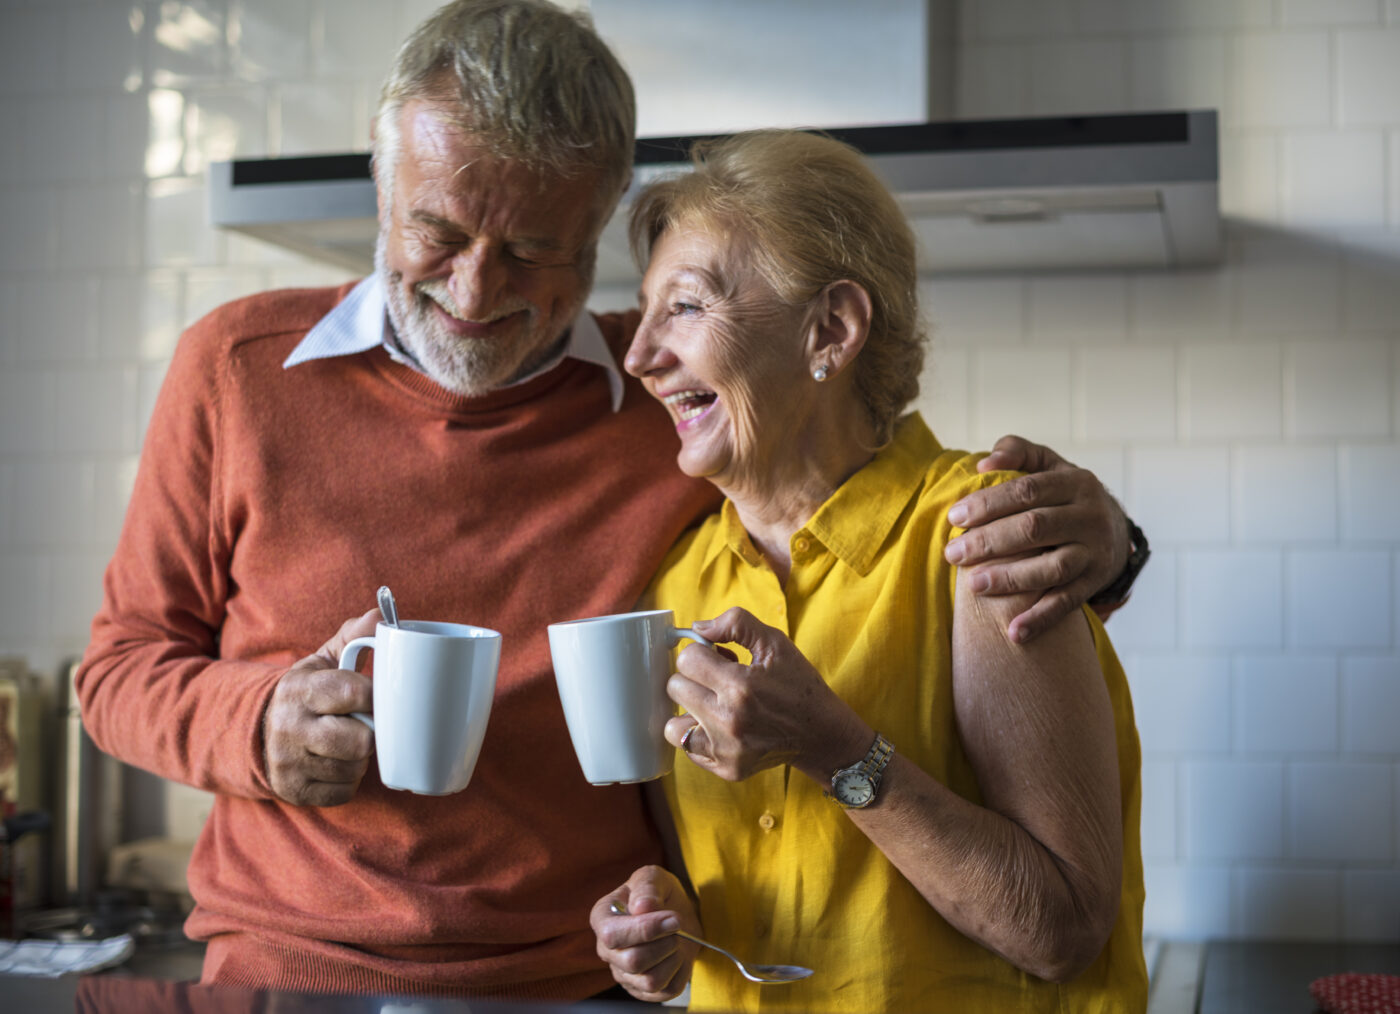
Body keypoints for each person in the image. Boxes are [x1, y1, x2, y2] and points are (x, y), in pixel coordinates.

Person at [75, 0, 1143, 1002]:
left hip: (574, 984)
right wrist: (256, 721)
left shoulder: (670, 410)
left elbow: (859, 469)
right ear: (383, 176)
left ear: (596, 225)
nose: (476, 290)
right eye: (438, 233)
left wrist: (1111, 543)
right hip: (288, 968)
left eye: (536, 249)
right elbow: (118, 669)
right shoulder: (237, 366)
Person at [589, 129, 1147, 1013]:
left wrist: (834, 748)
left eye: (687, 307)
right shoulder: (675, 583)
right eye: (645, 309)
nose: (640, 355)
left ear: (831, 330)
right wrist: (658, 927)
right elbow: (714, 889)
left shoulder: (979, 537)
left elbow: (1062, 929)